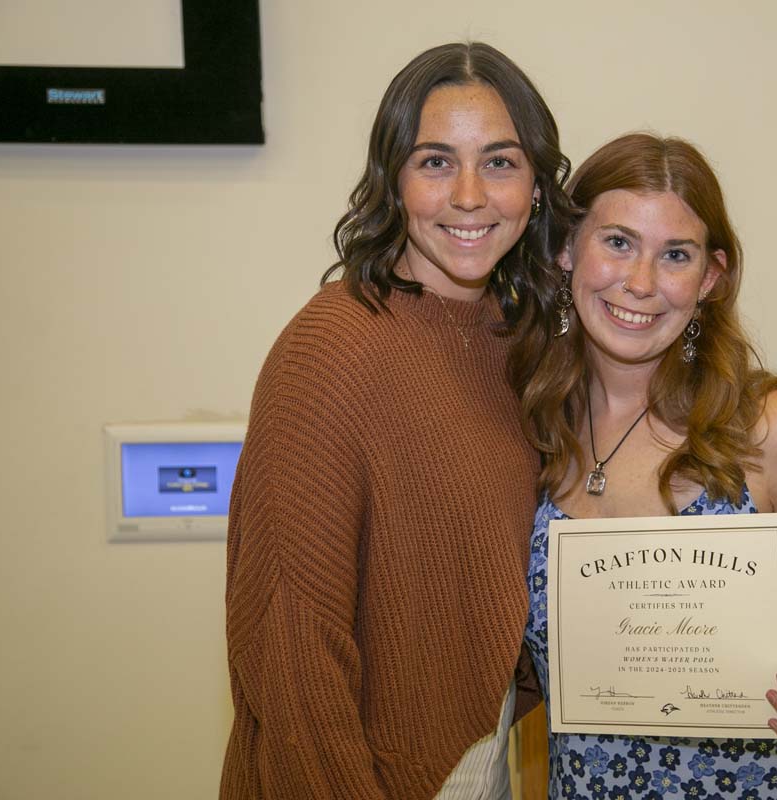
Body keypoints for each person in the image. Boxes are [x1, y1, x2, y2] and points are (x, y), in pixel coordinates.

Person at [220, 42, 574, 799]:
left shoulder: (519, 341)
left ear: (539, 186)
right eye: (436, 161)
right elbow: (289, 643)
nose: (471, 196)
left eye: (502, 162)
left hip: (479, 759)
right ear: (393, 179)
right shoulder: (333, 348)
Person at [511, 133, 777, 799]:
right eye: (617, 242)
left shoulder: (768, 428)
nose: (640, 282)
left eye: (676, 255)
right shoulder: (525, 432)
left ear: (711, 277)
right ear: (564, 249)